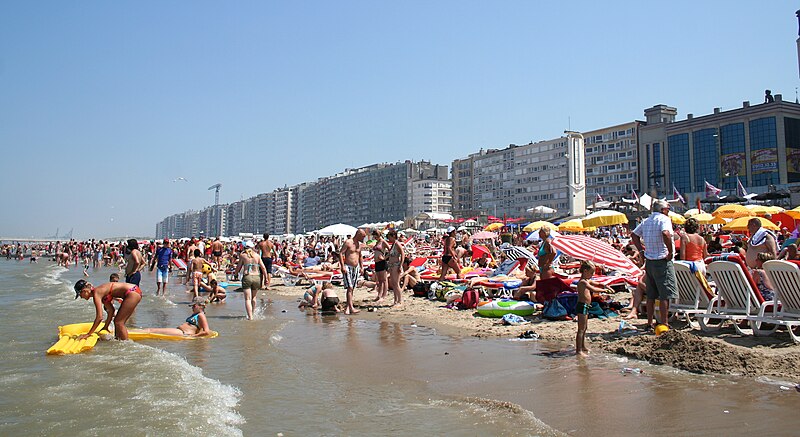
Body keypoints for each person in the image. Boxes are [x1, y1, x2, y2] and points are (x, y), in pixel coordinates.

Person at [631, 199, 677, 329]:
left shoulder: (647, 220)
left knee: (651, 294)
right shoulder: (663, 219)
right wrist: (670, 251)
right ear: (663, 210)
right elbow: (665, 233)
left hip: (650, 260)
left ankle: (649, 322)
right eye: (667, 209)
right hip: (662, 259)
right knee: (664, 294)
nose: (668, 212)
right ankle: (664, 322)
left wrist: (641, 251)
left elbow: (634, 235)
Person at [73, 279, 142, 341]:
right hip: (133, 291)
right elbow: (111, 311)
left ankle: (126, 346)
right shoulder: (101, 293)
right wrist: (105, 327)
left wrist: (88, 334)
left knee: (119, 322)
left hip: (132, 292)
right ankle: (119, 341)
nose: (81, 297)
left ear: (84, 291)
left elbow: (99, 317)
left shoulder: (96, 293)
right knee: (117, 322)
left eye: (80, 295)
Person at [140, 297, 212, 337]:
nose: (192, 308)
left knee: (151, 330)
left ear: (201, 306)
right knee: (151, 330)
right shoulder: (196, 314)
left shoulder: (201, 315)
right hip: (180, 332)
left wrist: (194, 336)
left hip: (184, 333)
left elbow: (206, 331)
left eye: (194, 306)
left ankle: (133, 333)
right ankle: (135, 332)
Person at [235, 240, 268, 320]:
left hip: (247, 277)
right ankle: (252, 313)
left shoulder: (243, 255)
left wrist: (236, 274)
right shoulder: (257, 255)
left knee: (247, 299)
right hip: (257, 277)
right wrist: (266, 278)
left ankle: (250, 317)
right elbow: (263, 268)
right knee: (254, 298)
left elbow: (238, 267)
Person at [576, 261, 602, 357]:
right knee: (581, 329)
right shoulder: (582, 282)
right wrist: (604, 290)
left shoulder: (587, 280)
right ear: (585, 271)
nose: (592, 275)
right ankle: (578, 350)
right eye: (591, 273)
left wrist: (604, 285)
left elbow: (597, 283)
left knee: (585, 328)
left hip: (586, 306)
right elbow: (593, 289)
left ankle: (582, 346)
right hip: (581, 306)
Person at [339, 229, 365, 314]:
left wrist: (362, 267)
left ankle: (348, 307)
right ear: (358, 235)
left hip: (356, 267)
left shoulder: (359, 245)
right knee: (349, 287)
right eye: (363, 236)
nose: (364, 238)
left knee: (352, 288)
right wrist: (342, 266)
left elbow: (360, 256)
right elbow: (340, 253)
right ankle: (350, 307)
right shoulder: (348, 242)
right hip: (348, 267)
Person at [386, 229, 405, 307]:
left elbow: (403, 254)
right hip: (391, 265)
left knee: (396, 283)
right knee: (393, 283)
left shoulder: (397, 244)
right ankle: (395, 300)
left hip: (396, 265)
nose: (389, 239)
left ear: (393, 236)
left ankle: (400, 301)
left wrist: (401, 265)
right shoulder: (393, 244)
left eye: (389, 237)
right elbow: (389, 255)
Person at [371, 229, 389, 303]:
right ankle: (379, 295)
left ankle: (384, 295)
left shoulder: (383, 242)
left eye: (375, 236)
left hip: (382, 262)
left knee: (384, 280)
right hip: (377, 262)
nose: (375, 238)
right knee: (379, 280)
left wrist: (385, 257)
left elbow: (390, 250)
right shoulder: (377, 242)